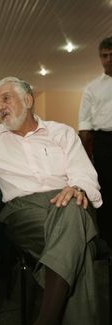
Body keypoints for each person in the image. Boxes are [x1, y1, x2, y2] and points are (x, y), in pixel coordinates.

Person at [0, 77, 106, 325]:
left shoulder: (61, 132)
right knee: (81, 245)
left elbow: (84, 172)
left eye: (6, 98)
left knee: (72, 211)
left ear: (28, 100)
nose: (0, 107)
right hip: (24, 211)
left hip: (72, 199)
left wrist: (77, 187)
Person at [78, 35, 112, 248]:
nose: (108, 59)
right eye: (104, 56)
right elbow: (84, 123)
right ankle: (108, 240)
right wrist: (83, 157)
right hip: (104, 142)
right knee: (106, 190)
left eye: (111, 55)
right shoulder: (92, 88)